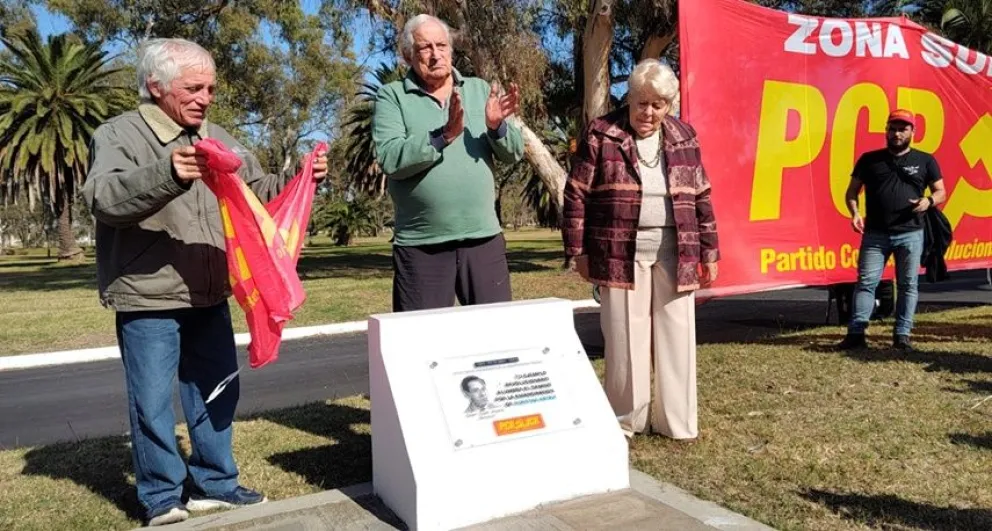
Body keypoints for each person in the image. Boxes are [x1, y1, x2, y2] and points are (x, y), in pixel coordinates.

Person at [81, 38, 328, 526]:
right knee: (151, 402)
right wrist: (167, 173)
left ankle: (215, 482)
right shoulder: (118, 135)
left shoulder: (223, 137)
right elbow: (104, 198)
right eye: (194, 87)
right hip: (148, 295)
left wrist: (303, 177)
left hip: (210, 293)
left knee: (217, 392)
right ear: (156, 86)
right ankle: (161, 497)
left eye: (211, 88)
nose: (206, 97)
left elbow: (258, 197)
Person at [562, 59, 719, 440]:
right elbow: (576, 194)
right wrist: (578, 250)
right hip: (618, 252)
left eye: (658, 104)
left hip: (676, 249)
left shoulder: (685, 136)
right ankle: (625, 421)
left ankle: (676, 423)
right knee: (624, 337)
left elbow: (701, 195)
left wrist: (709, 252)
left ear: (670, 105)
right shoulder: (602, 133)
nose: (648, 112)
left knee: (677, 335)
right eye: (640, 102)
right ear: (628, 99)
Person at [372, 14, 525, 312]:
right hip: (421, 244)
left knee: (495, 340)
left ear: (452, 50)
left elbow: (514, 152)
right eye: (424, 47)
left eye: (441, 45)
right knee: (423, 345)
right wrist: (442, 136)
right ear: (408, 55)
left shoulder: (480, 90)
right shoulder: (391, 97)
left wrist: (497, 128)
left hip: (483, 239)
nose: (435, 54)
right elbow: (390, 157)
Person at [837, 109, 946, 351]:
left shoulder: (926, 160)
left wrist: (929, 201)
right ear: (886, 130)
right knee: (866, 282)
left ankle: (902, 336)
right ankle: (856, 334)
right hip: (875, 234)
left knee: (908, 285)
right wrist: (854, 213)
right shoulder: (869, 159)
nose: (897, 133)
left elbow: (941, 192)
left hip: (911, 233)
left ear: (912, 132)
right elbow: (852, 192)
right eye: (892, 129)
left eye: (902, 129)